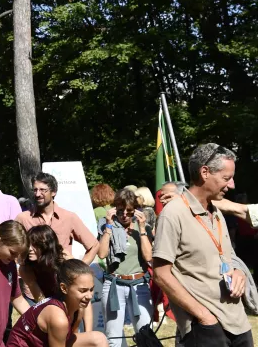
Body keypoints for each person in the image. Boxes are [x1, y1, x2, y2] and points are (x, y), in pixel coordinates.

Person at [153, 143, 252, 347]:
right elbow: (161, 274)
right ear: (205, 172)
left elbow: (228, 258)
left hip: (238, 323)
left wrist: (239, 272)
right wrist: (204, 317)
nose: (231, 185)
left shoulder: (216, 213)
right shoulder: (174, 213)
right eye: (226, 178)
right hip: (205, 329)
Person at [97, 189, 153, 347]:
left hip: (139, 284)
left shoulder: (142, 227)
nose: (124, 215)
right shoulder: (106, 225)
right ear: (115, 209)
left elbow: (148, 257)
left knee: (145, 333)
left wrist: (142, 230)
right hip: (114, 284)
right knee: (113, 337)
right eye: (121, 211)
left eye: (129, 211)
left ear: (135, 210)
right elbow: (102, 254)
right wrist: (108, 226)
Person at [6, 260, 108, 347]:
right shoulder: (58, 317)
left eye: (91, 289)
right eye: (83, 291)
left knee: (100, 339)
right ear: (64, 288)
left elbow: (71, 338)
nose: (89, 296)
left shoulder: (77, 308)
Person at [16, 173, 99, 264]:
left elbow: (94, 245)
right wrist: (21, 265)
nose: (37, 194)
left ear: (53, 192)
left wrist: (77, 269)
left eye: (43, 190)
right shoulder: (23, 218)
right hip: (34, 276)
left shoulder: (69, 217)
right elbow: (11, 245)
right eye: (35, 190)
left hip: (61, 275)